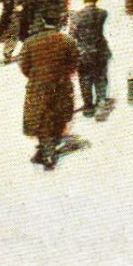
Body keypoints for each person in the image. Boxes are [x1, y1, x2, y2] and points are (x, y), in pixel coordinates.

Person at [20, 11, 80, 170]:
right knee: (58, 115)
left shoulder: (30, 42)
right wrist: (62, 74)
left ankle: (47, 152)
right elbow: (74, 63)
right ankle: (49, 150)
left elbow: (24, 67)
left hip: (38, 86)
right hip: (60, 84)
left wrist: (36, 76)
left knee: (40, 116)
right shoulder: (67, 40)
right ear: (59, 22)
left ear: (43, 21)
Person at [68, 0, 112, 118]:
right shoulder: (103, 13)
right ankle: (101, 102)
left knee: (85, 79)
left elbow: (72, 35)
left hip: (84, 53)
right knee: (100, 76)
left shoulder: (76, 16)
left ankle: (88, 106)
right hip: (100, 50)